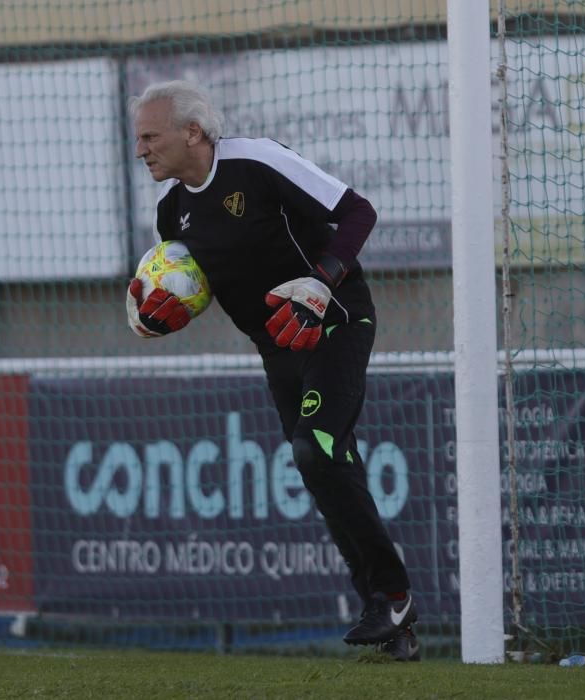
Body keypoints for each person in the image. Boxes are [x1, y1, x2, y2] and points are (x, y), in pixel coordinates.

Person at [125, 80, 418, 661]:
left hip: (334, 321)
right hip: (277, 349)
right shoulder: (170, 215)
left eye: (150, 137)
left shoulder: (255, 162)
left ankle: (392, 595)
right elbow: (195, 288)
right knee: (323, 469)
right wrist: (154, 312)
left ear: (192, 131)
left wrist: (320, 278)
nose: (142, 150)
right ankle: (390, 621)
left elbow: (358, 211)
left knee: (317, 450)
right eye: (138, 140)